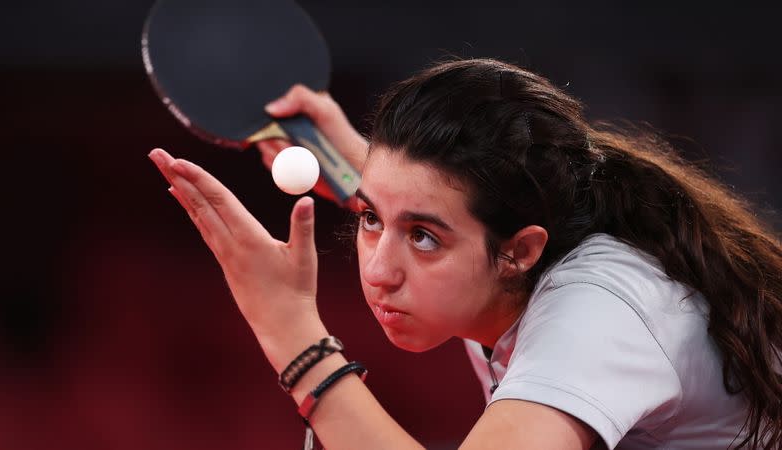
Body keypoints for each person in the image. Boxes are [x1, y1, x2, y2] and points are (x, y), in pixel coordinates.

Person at [148, 58, 782, 449]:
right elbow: (436, 205)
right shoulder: (520, 227)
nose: (379, 271)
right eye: (370, 219)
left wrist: (289, 330)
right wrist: (365, 175)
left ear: (519, 251)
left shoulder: (597, 314)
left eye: (422, 237)